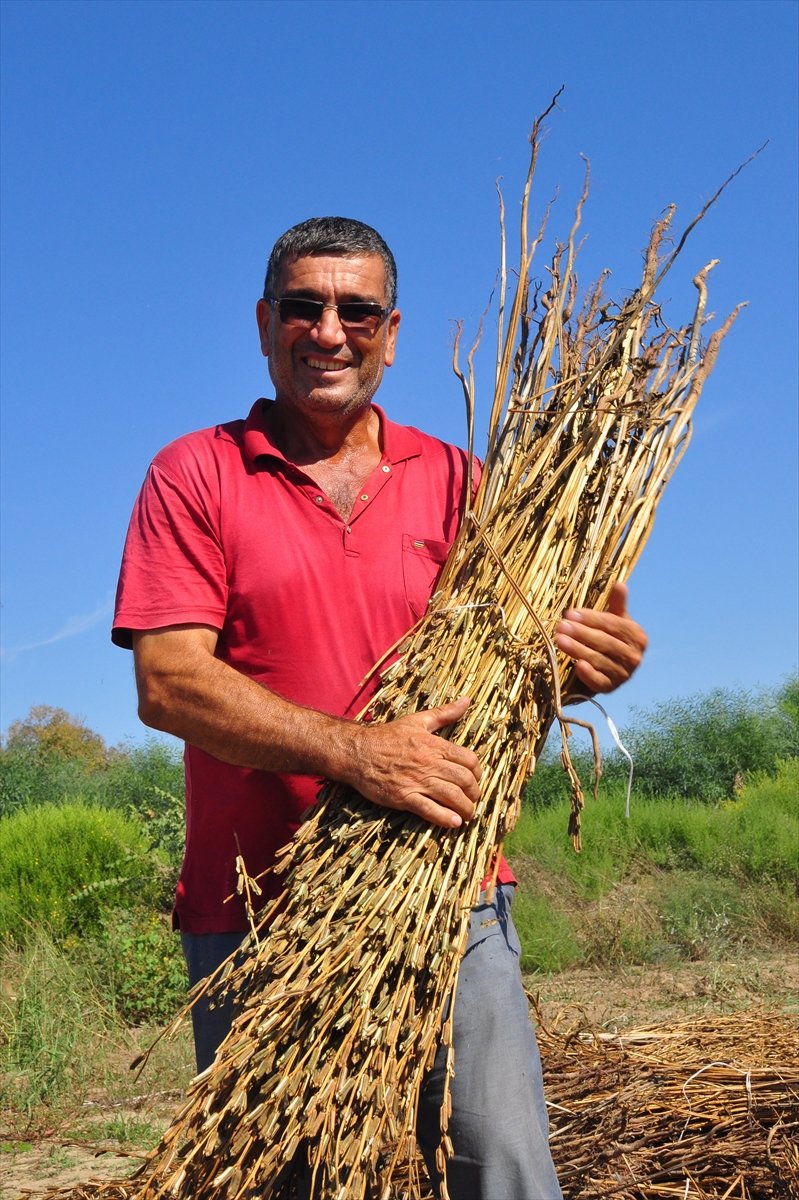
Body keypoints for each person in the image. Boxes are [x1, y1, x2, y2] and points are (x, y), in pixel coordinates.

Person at [112, 216, 647, 1200]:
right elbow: (170, 682)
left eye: (355, 311)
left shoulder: (464, 485)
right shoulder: (194, 474)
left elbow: (513, 667)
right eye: (303, 308)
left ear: (392, 333)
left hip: (450, 884)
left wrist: (586, 663)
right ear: (264, 325)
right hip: (257, 909)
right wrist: (357, 753)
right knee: (282, 1179)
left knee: (503, 1165)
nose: (329, 330)